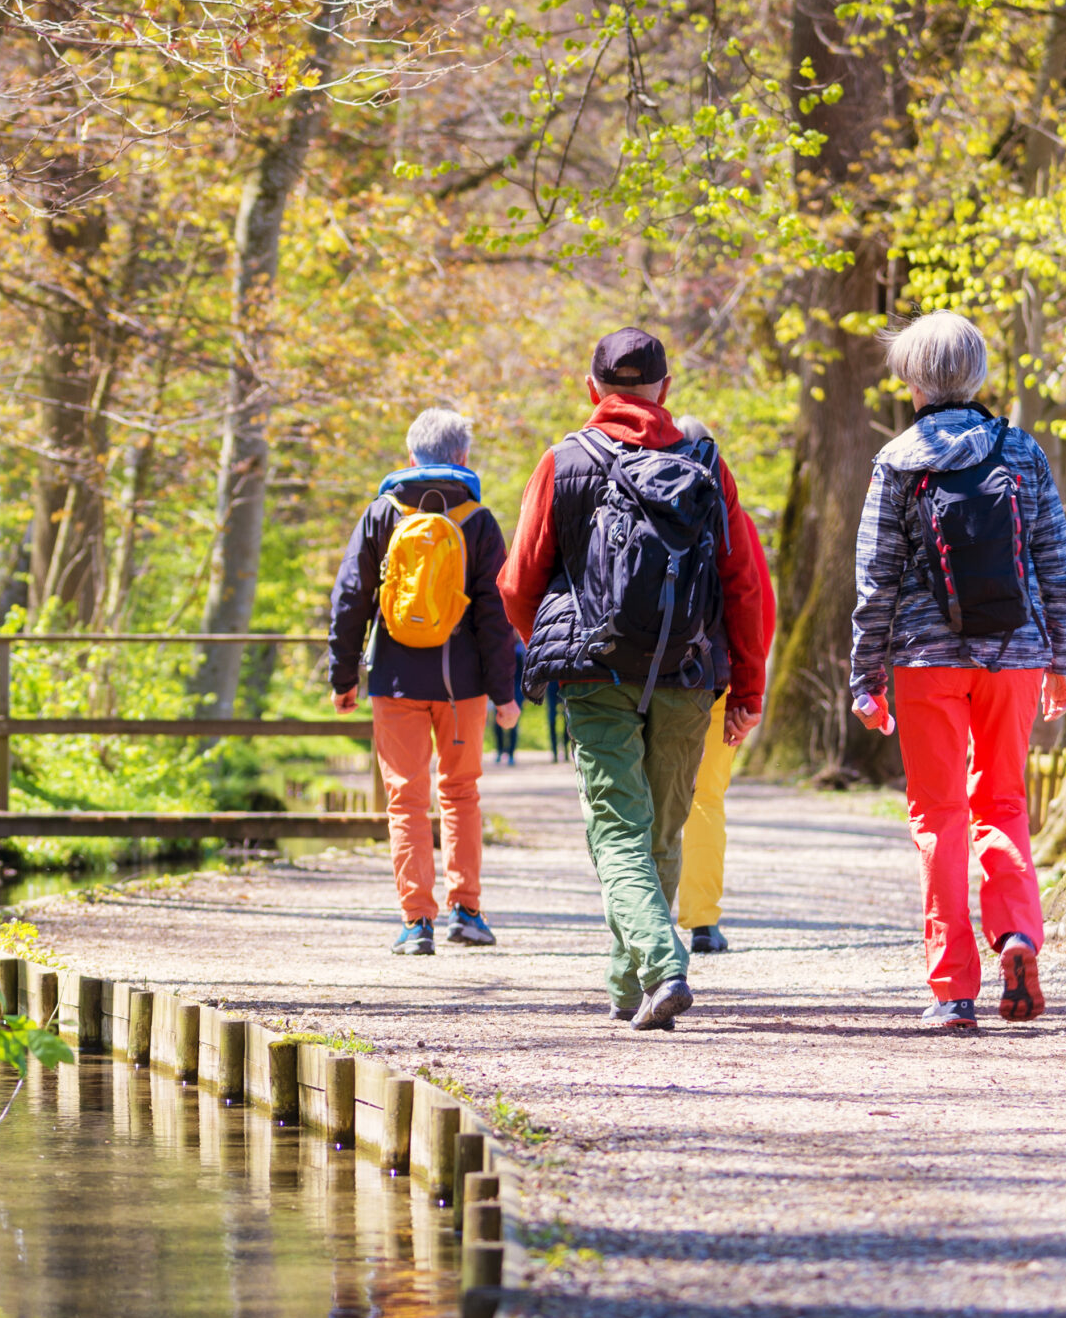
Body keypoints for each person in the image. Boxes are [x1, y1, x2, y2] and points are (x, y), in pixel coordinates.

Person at [499, 329, 775, 1031]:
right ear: (665, 390)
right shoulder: (705, 463)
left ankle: (657, 965)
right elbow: (743, 583)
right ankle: (629, 986)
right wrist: (747, 687)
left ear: (593, 388)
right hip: (689, 669)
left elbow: (517, 581)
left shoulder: (565, 460)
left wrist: (554, 645)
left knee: (619, 828)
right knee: (662, 828)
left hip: (596, 672)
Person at [848, 310, 1066, 1031]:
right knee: (1003, 802)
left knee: (938, 816)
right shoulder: (1021, 450)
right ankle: (1017, 933)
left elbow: (875, 581)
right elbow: (1055, 560)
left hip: (924, 660)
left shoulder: (897, 459)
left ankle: (952, 989)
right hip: (1014, 652)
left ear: (912, 379)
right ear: (975, 374)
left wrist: (866, 675)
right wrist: (1062, 657)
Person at [329, 407, 522, 956]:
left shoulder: (381, 514)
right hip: (462, 687)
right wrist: (505, 693)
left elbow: (350, 600)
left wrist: (344, 676)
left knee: (405, 800)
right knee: (460, 795)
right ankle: (468, 911)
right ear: (463, 457)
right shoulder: (478, 521)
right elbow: (494, 615)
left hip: (394, 680)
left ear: (409, 456)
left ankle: (417, 923)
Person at [669, 416, 776, 955]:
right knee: (705, 798)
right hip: (713, 678)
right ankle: (703, 922)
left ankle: (646, 917)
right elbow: (757, 605)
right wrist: (746, 693)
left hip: (648, 679)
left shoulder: (628, 493)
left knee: (647, 796)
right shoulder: (728, 511)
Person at [492, 636, 526, 764]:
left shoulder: (520, 647)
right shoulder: (500, 645)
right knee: (497, 722)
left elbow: (525, 672)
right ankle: (500, 750)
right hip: (501, 689)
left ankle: (511, 753)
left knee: (514, 722)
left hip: (517, 689)